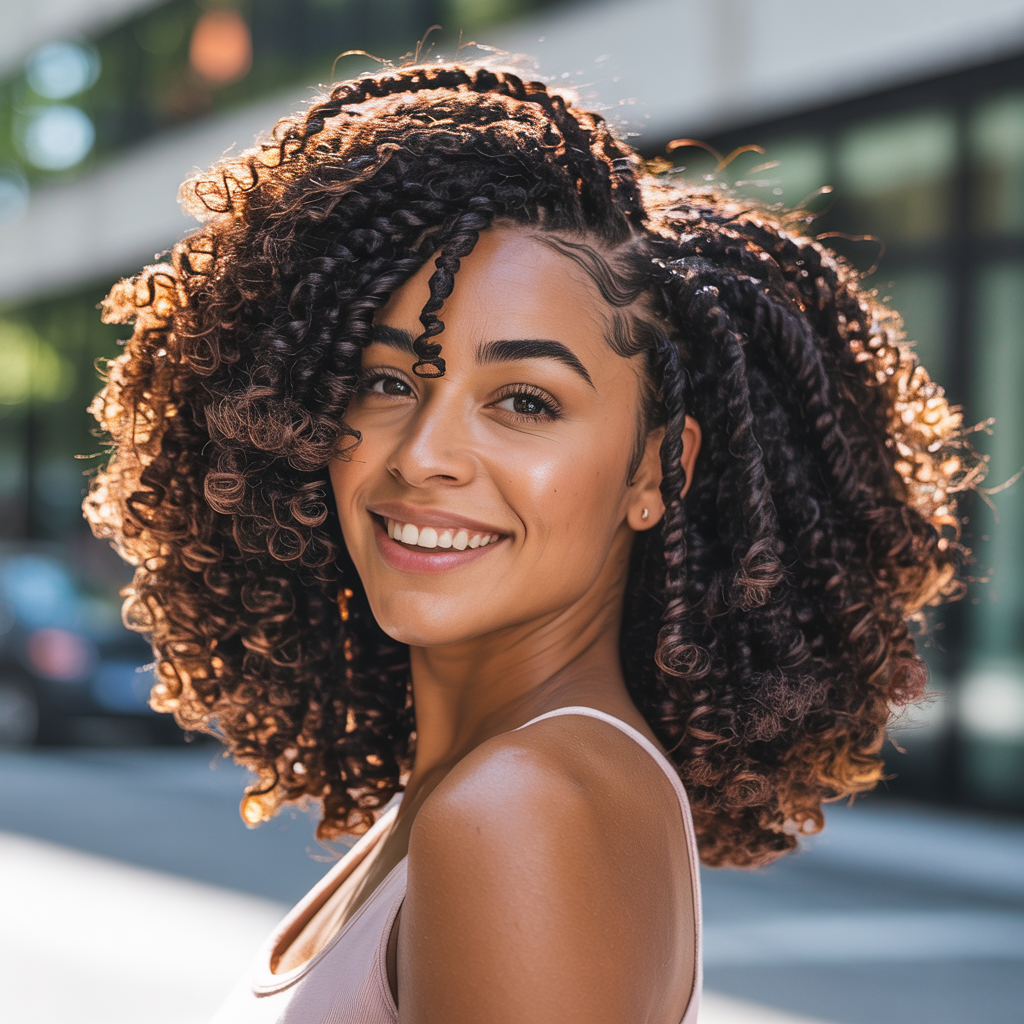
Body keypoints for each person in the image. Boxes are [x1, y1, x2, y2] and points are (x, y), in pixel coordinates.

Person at [84, 61, 974, 1024]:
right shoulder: (486, 792)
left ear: (654, 471)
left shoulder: (519, 811)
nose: (424, 456)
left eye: (523, 402)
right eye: (386, 381)